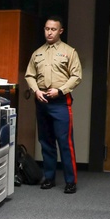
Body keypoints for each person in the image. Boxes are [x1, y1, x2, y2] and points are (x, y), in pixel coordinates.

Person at [24, 17, 82, 193]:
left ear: (60, 31)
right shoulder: (37, 53)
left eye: (53, 29)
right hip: (42, 100)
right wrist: (36, 90)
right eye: (47, 29)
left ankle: (70, 181)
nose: (49, 32)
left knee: (65, 142)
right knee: (46, 141)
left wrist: (61, 90)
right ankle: (49, 177)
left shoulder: (69, 52)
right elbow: (29, 75)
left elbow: (76, 76)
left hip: (60, 101)